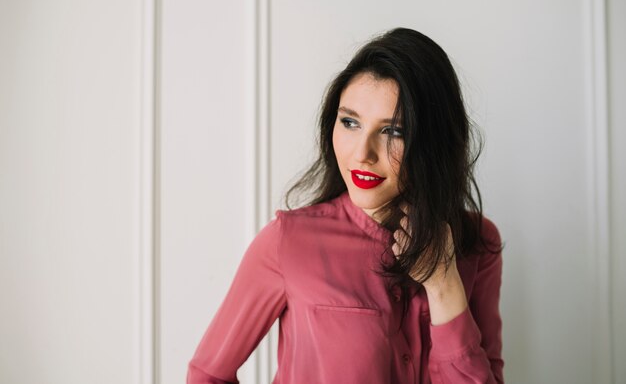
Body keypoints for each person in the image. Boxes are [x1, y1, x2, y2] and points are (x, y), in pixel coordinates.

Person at [187, 28, 504, 383]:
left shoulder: (478, 242)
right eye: (350, 122)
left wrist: (444, 286)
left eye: (393, 131)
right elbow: (206, 374)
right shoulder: (287, 243)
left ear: (434, 141)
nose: (362, 154)